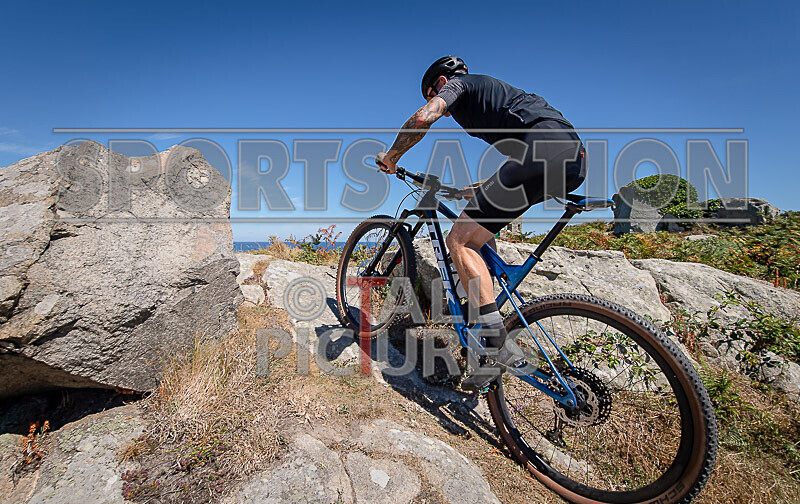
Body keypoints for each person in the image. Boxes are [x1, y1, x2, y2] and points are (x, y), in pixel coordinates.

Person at [376, 56, 586, 390]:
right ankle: (485, 349)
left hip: (543, 152)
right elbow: (520, 157)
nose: (437, 104)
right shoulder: (493, 95)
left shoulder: (461, 86)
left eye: (432, 93)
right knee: (481, 239)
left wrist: (392, 157)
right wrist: (473, 189)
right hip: (571, 160)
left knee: (459, 241)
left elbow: (422, 118)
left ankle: (494, 340)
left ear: (442, 83)